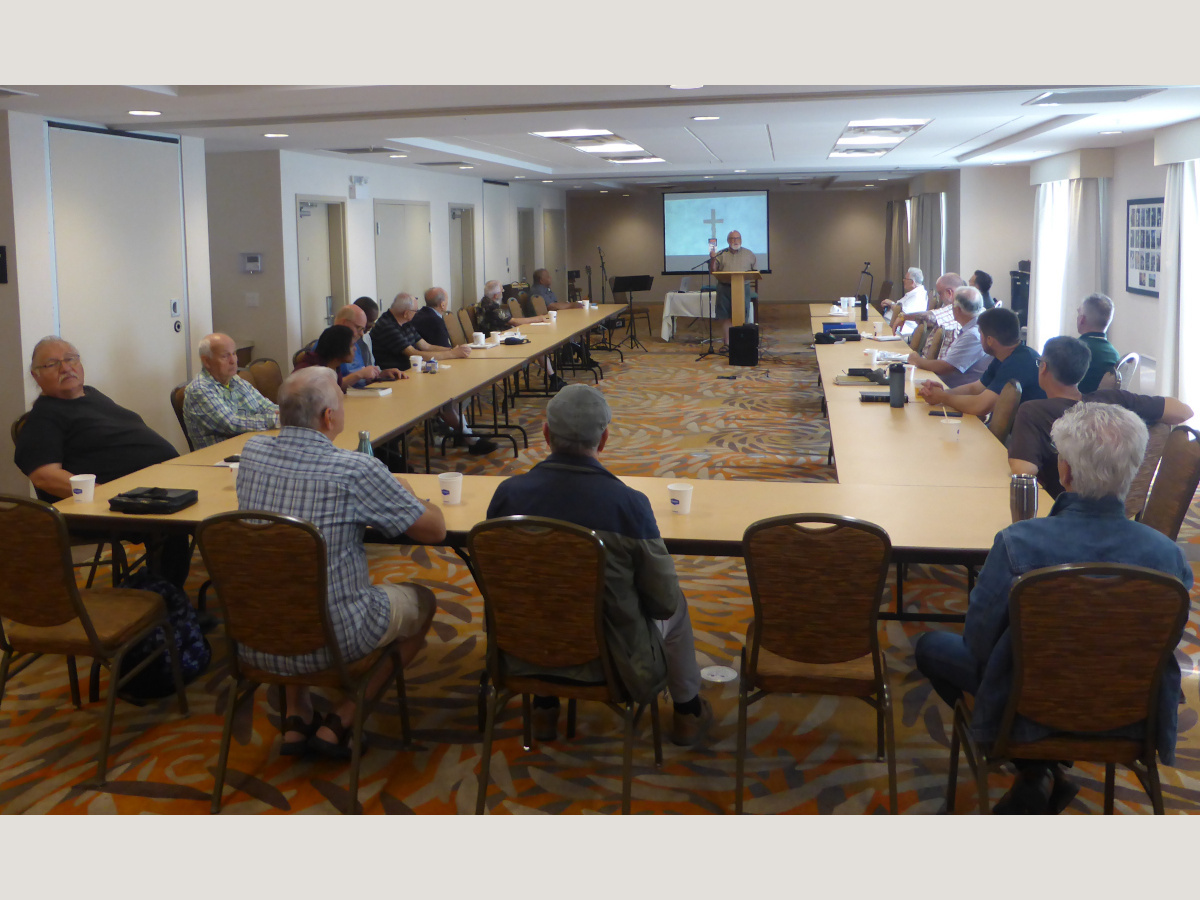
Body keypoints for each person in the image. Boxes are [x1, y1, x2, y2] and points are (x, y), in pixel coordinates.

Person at [915, 403, 1193, 813]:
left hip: (1026, 705)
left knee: (928, 646)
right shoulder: (1169, 558)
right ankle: (1039, 771)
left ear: (1063, 471)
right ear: (1134, 471)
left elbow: (978, 644)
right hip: (1128, 713)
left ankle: (1034, 764)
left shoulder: (1017, 543)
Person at [486, 384, 714, 746]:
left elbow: (497, 582)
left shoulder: (507, 495)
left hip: (521, 650)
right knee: (678, 605)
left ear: (545, 435)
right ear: (604, 439)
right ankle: (687, 712)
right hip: (610, 660)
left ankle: (544, 706)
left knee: (540, 589)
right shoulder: (630, 505)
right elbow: (663, 601)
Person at [236, 367, 447, 757]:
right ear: (328, 418)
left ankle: (297, 716)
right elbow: (433, 530)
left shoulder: (252, 452)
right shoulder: (355, 470)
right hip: (335, 638)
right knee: (424, 602)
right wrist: (411, 493)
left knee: (287, 572)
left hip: (255, 632)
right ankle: (344, 717)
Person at [14, 336, 191, 588]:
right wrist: (102, 494)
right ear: (36, 376)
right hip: (106, 506)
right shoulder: (44, 418)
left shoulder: (92, 395)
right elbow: (44, 475)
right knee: (177, 521)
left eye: (71, 359)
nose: (66, 368)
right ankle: (167, 604)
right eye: (52, 364)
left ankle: (174, 602)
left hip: (152, 485)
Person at [1007, 335, 1191, 497]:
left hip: (1060, 507)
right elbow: (1184, 411)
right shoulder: (1113, 399)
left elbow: (1023, 472)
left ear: (1043, 367)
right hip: (1120, 504)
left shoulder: (1032, 411)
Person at [372, 292, 498, 455]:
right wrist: (452, 354)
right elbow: (413, 353)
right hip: (397, 378)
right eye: (415, 312)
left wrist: (453, 350)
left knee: (452, 394)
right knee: (444, 398)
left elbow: (425, 346)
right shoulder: (387, 326)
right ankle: (468, 437)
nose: (416, 314)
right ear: (406, 313)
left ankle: (466, 434)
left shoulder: (405, 321)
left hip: (414, 374)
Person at [918, 307, 1046, 417]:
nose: (980, 339)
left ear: (989, 340)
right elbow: (976, 388)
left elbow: (980, 406)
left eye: (981, 334)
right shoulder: (1005, 355)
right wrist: (943, 393)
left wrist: (942, 397)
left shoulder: (1018, 362)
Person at [182, 332, 279, 449]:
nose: (233, 361)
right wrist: (277, 420)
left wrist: (289, 416)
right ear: (207, 361)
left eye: (234, 354)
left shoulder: (236, 380)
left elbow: (265, 406)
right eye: (225, 356)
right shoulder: (199, 390)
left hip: (248, 447)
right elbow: (231, 423)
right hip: (219, 459)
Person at [476, 281, 566, 391]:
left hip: (497, 337)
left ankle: (553, 378)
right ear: (496, 295)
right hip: (497, 342)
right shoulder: (492, 308)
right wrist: (537, 319)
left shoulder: (483, 303)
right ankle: (553, 379)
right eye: (502, 291)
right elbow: (514, 321)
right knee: (537, 346)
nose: (503, 293)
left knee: (535, 343)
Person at [905, 286, 989, 389]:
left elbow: (946, 367)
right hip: (950, 387)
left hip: (956, 392)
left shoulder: (973, 334)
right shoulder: (971, 327)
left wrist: (917, 360)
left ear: (957, 309)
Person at [707, 230, 759, 352]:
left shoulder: (749, 254)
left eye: (737, 238)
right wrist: (713, 259)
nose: (735, 241)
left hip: (742, 288)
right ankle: (727, 344)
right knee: (725, 316)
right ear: (728, 240)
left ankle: (741, 342)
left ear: (741, 240)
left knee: (741, 315)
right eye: (732, 238)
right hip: (724, 287)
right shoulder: (721, 254)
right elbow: (713, 270)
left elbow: (755, 272)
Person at [1075, 292, 1121, 393]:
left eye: (1078, 313)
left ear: (1082, 319)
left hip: (1078, 406)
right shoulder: (1114, 354)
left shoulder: (1075, 350)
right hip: (1104, 405)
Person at [293, 325, 358, 393]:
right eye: (352, 345)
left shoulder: (334, 367)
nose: (355, 349)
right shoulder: (310, 372)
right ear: (339, 347)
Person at [881, 266, 929, 336]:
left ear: (912, 282)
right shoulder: (913, 292)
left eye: (906, 279)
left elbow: (903, 313)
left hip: (899, 329)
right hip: (889, 321)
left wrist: (891, 304)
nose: (903, 280)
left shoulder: (917, 296)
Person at [353, 296, 379, 363]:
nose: (373, 325)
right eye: (370, 321)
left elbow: (371, 365)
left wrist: (382, 373)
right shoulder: (347, 340)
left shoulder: (367, 337)